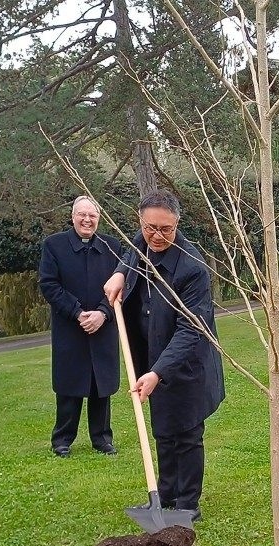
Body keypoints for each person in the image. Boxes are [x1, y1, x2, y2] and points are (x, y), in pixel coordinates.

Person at [103, 189, 224, 520]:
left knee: (185, 431)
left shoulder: (192, 268)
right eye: (149, 228)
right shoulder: (140, 245)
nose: (156, 236)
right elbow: (131, 249)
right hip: (151, 356)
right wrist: (118, 271)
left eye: (165, 229)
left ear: (177, 224)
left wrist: (158, 372)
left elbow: (191, 329)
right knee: (163, 429)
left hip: (186, 363)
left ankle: (187, 505)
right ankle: (166, 495)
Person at [38, 195, 124, 457]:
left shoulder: (112, 247)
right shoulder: (53, 246)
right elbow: (49, 285)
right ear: (73, 216)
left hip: (103, 325)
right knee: (69, 384)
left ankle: (102, 438)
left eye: (92, 215)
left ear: (98, 218)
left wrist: (102, 313)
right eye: (82, 215)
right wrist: (77, 312)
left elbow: (123, 285)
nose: (87, 220)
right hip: (70, 327)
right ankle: (62, 439)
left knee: (101, 385)